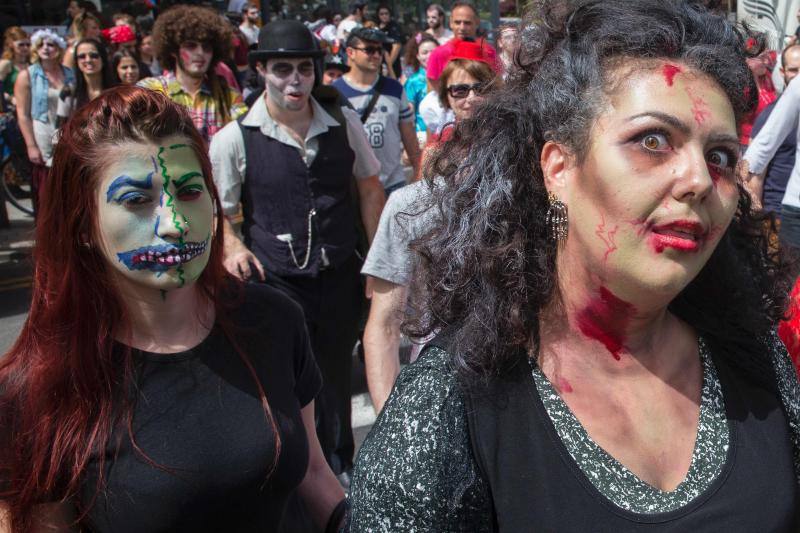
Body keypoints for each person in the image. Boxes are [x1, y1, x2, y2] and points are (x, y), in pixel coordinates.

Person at [349, 0, 800, 530]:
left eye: (720, 155)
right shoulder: (450, 404)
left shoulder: (753, 353)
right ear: (558, 168)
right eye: (653, 141)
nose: (700, 180)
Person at [0, 85, 348, 532]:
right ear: (82, 223)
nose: (175, 224)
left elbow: (315, 474)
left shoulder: (275, 319)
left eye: (188, 192)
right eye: (136, 201)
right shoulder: (38, 387)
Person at [209, 20, 385, 486]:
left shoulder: (342, 123)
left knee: (334, 374)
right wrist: (233, 244)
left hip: (339, 273)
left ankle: (341, 463)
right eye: (282, 68)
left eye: (304, 69)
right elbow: (219, 210)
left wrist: (377, 260)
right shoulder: (234, 138)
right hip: (278, 280)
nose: (295, 80)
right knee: (286, 380)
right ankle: (297, 472)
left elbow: (370, 188)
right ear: (262, 70)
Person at [362, 42, 500, 414]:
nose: (472, 98)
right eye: (460, 89)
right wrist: (391, 427)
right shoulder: (413, 203)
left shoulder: (533, 192)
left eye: (481, 87)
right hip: (441, 385)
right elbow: (385, 324)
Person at [138, 4, 247, 143]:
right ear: (173, 51)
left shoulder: (228, 96)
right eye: (191, 46)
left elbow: (245, 138)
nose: (200, 53)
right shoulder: (151, 91)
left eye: (206, 47)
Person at [334, 27, 421, 195]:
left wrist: (418, 172)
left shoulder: (394, 89)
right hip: (353, 188)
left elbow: (409, 135)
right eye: (369, 50)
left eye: (379, 50)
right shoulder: (336, 92)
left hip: (393, 184)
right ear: (350, 52)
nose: (376, 55)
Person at [14, 29, 75, 213]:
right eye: (41, 44)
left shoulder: (70, 73)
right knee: (46, 188)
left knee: (68, 184)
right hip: (42, 131)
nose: (46, 48)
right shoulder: (28, 75)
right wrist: (31, 145)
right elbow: (22, 113)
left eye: (51, 44)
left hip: (67, 132)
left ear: (60, 48)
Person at [746, 43, 800, 226]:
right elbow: (756, 167)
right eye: (794, 70)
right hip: (779, 214)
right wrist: (754, 218)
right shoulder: (772, 112)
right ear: (783, 72)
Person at [57, 38, 116, 121]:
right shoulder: (69, 92)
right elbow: (59, 129)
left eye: (94, 56)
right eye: (82, 57)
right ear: (76, 62)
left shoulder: (116, 91)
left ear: (103, 59)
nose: (88, 60)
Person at [740, 42, 777, 147]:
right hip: (745, 143)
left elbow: (777, 55)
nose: (766, 61)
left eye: (767, 56)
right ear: (748, 60)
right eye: (762, 58)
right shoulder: (742, 86)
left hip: (765, 140)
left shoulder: (767, 78)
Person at [403, 33, 439, 135]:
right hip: (422, 134)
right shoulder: (413, 81)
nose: (430, 55)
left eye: (433, 51)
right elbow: (408, 114)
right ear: (418, 56)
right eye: (424, 52)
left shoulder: (449, 77)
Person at [0, 27, 31, 104]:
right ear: (11, 45)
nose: (25, 47)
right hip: (10, 109)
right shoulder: (6, 64)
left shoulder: (32, 65)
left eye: (28, 44)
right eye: (21, 44)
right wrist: (10, 98)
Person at [375, 5, 404, 79]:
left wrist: (389, 65)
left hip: (392, 67)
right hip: (379, 65)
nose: (384, 16)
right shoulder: (376, 27)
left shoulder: (394, 27)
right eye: (381, 14)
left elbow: (397, 46)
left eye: (386, 13)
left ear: (390, 14)